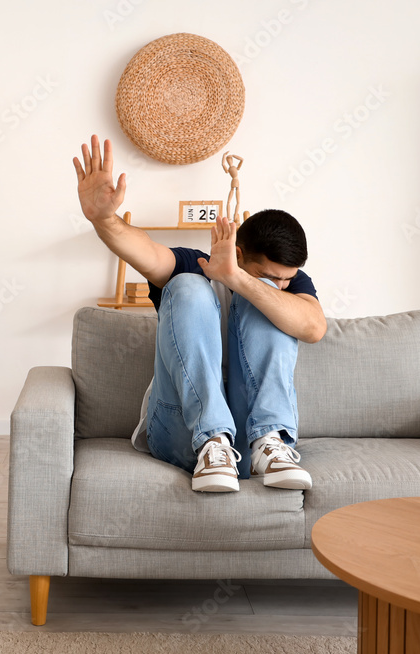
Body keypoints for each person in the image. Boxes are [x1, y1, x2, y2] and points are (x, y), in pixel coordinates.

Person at [73, 135, 327, 493]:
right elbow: (145, 251)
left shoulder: (287, 284)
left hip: (254, 438)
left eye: (288, 279)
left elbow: (313, 328)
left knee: (273, 304)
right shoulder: (197, 264)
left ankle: (270, 443)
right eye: (271, 276)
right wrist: (104, 220)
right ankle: (212, 444)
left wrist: (240, 281)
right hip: (180, 432)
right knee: (188, 284)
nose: (283, 285)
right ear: (238, 253)